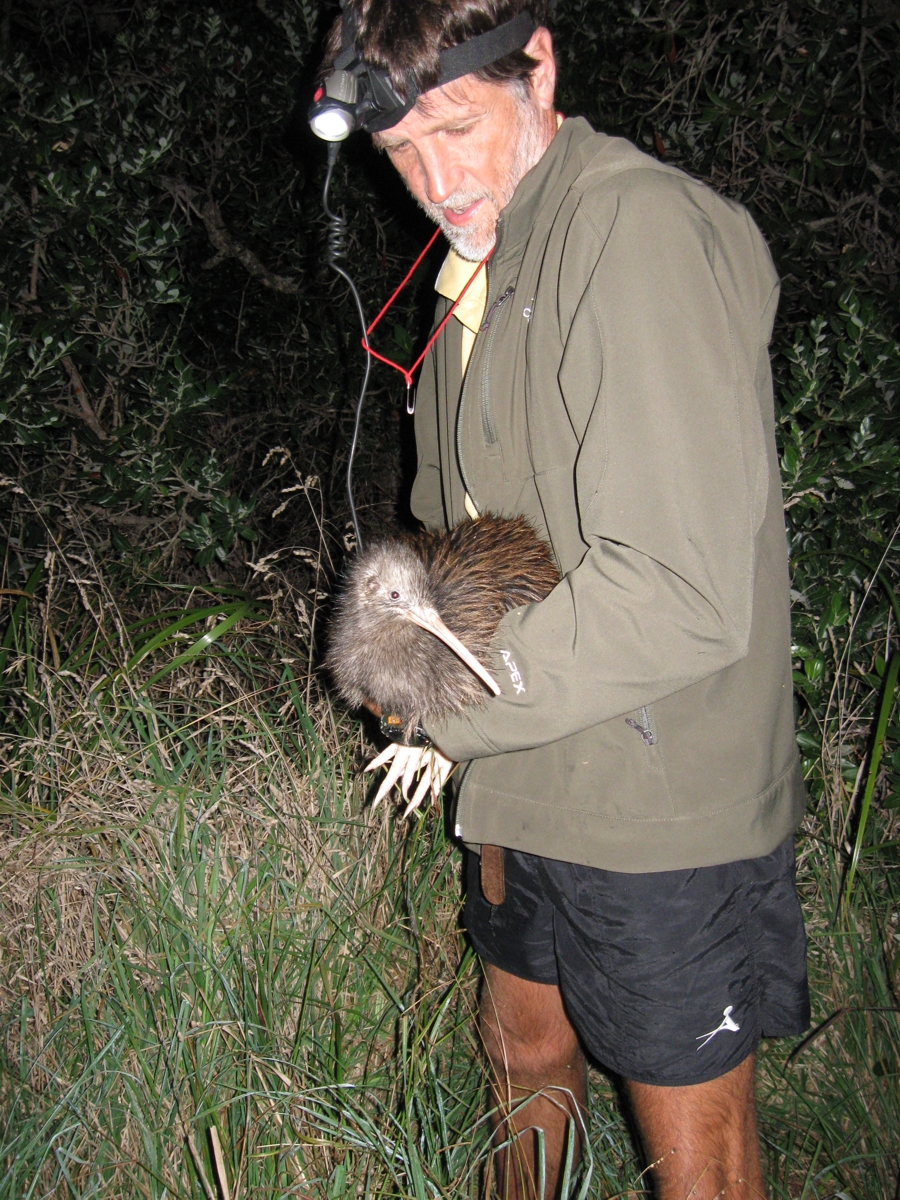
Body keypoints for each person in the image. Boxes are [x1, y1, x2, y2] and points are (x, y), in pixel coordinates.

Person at [321, 3, 811, 1196]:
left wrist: (445, 714)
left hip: (650, 795)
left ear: (537, 67)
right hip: (517, 772)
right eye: (400, 154)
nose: (434, 180)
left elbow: (677, 593)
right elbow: (455, 541)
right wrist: (403, 678)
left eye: (455, 126)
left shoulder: (633, 232)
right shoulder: (470, 279)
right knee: (523, 1061)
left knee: (695, 1158)